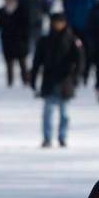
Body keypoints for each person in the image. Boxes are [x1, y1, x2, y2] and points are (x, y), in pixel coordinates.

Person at [30, 12, 85, 148]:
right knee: (48, 112)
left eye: (60, 22)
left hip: (65, 81)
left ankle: (62, 137)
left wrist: (76, 77)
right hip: (49, 80)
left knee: (64, 113)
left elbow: (80, 60)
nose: (58, 25)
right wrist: (33, 77)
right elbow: (37, 61)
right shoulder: (44, 41)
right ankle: (47, 138)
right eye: (55, 22)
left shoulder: (72, 40)